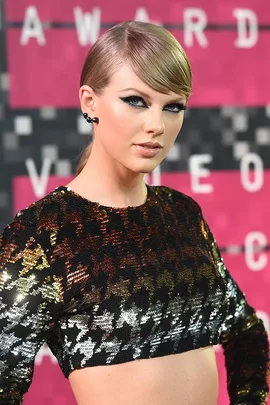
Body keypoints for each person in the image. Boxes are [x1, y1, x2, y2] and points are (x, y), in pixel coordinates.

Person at [0, 20, 269, 405]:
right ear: (90, 102)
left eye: (173, 106)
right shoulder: (44, 235)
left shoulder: (182, 215)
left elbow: (247, 333)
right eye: (136, 101)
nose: (156, 125)